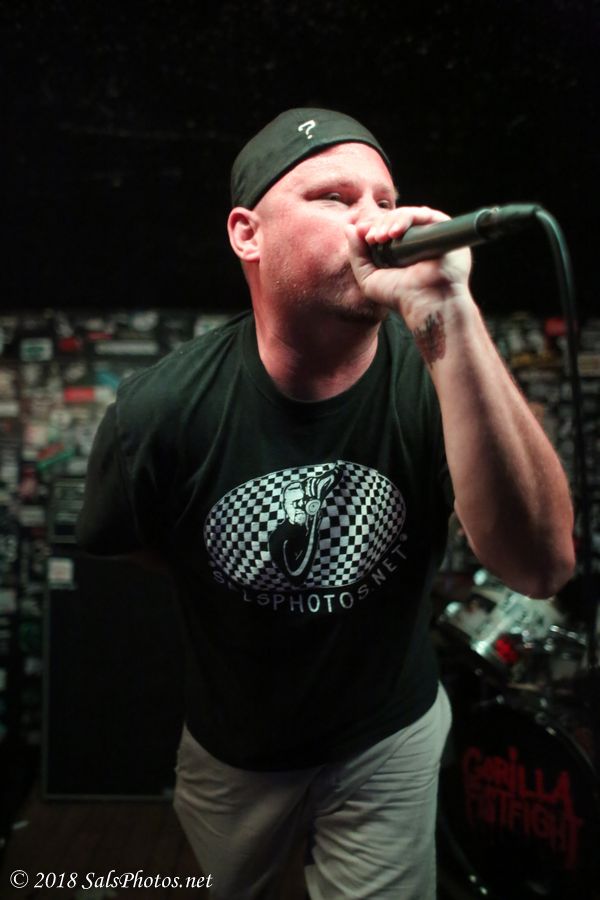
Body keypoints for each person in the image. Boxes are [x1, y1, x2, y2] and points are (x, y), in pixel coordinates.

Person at [76, 108, 575, 899]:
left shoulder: (443, 379)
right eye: (336, 198)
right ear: (248, 234)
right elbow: (137, 546)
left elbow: (542, 567)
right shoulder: (160, 410)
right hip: (234, 752)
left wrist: (448, 310)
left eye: (385, 199)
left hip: (388, 739)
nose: (374, 221)